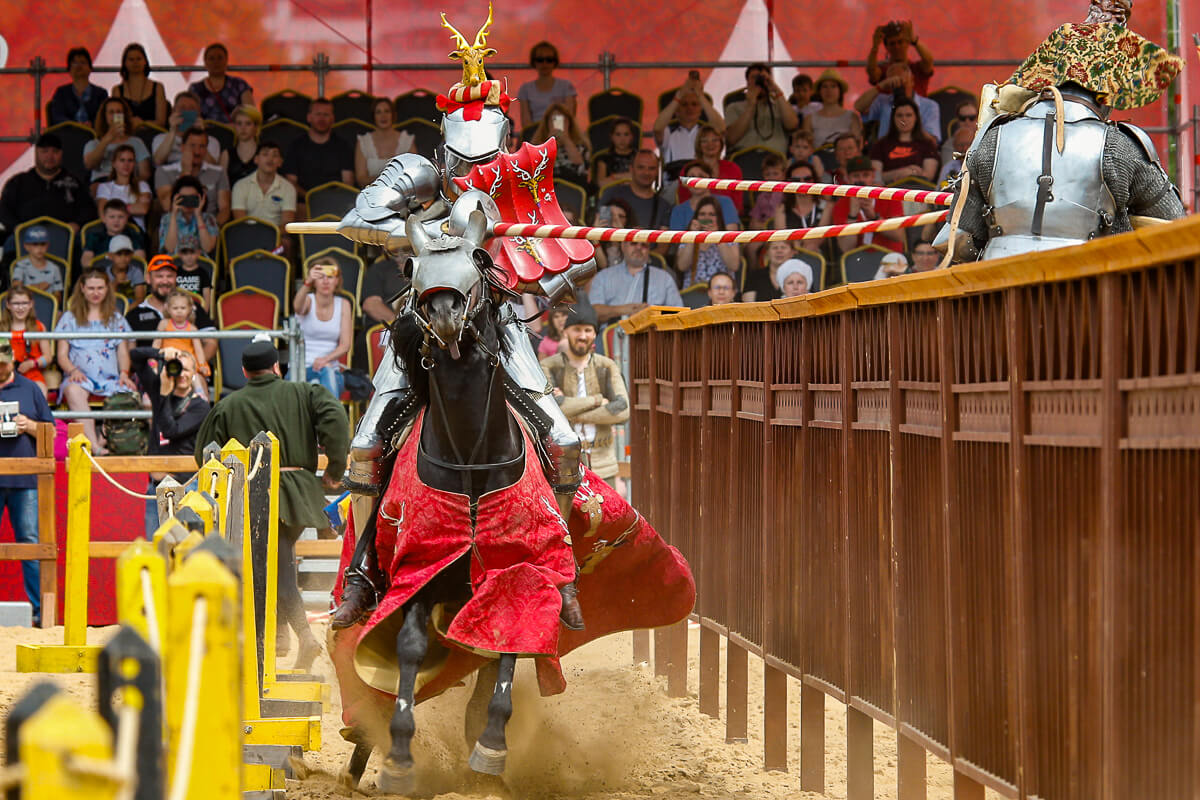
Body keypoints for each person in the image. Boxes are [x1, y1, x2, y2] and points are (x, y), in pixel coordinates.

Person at [936, 13, 1186, 263]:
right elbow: (1176, 228)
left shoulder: (993, 136)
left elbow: (956, 240)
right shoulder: (1120, 146)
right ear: (1105, 88)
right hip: (1091, 290)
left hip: (1005, 288)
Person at [195, 338, 349, 671]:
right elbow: (336, 417)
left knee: (273, 565)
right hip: (300, 492)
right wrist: (334, 470)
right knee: (277, 561)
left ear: (244, 371)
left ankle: (302, 637)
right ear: (277, 367)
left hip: (254, 494)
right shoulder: (305, 392)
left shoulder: (228, 405)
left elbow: (203, 454)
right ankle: (279, 635)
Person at [540, 304, 630, 491]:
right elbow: (548, 409)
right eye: (577, 330)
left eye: (588, 330)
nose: (582, 336)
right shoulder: (548, 366)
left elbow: (622, 410)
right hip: (562, 464)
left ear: (595, 334)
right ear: (566, 332)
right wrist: (597, 400)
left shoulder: (607, 366)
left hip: (603, 462)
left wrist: (567, 411)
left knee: (608, 517)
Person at [0, 341, 54, 624]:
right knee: (32, 542)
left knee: (32, 542)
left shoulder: (30, 388)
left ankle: (38, 612)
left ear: (12, 361)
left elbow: (51, 430)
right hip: (18, 476)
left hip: (26, 478)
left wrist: (28, 425)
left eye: (3, 363)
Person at [130, 345, 210, 535]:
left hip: (184, 487)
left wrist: (164, 395)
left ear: (194, 374)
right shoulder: (160, 386)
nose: (182, 374)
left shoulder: (200, 406)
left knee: (183, 551)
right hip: (154, 488)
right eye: (178, 367)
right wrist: (159, 354)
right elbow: (135, 356)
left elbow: (171, 430)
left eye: (187, 369)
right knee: (155, 549)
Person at [55, 270, 137, 452]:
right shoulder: (69, 318)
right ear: (82, 289)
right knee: (72, 391)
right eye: (91, 288)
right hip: (80, 377)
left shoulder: (116, 319)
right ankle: (93, 445)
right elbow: (61, 355)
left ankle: (104, 440)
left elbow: (123, 352)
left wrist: (124, 373)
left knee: (127, 392)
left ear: (107, 289)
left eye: (100, 288)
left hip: (110, 378)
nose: (95, 292)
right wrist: (73, 371)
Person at [0, 133, 95, 238]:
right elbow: (4, 210)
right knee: (10, 245)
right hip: (25, 236)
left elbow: (88, 209)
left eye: (55, 152)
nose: (50, 156)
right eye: (44, 151)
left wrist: (77, 224)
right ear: (36, 153)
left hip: (64, 236)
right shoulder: (18, 182)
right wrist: (17, 227)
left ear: (61, 154)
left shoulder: (75, 183)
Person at [126, 255, 217, 365]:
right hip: (151, 374)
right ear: (148, 279)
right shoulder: (134, 315)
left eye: (169, 276)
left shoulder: (193, 308)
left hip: (190, 372)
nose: (165, 281)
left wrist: (193, 365)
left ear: (176, 278)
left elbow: (211, 342)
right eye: (159, 276)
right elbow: (129, 353)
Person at [291, 259, 353, 400]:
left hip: (330, 368)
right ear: (314, 281)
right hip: (301, 369)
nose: (325, 281)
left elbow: (345, 345)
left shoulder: (344, 304)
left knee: (328, 372)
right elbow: (297, 307)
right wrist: (307, 283)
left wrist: (325, 360)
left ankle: (330, 418)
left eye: (330, 277)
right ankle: (330, 417)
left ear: (337, 280)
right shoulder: (307, 299)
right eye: (320, 277)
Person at [589, 240, 683, 324]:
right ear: (623, 246)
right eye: (633, 243)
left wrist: (651, 313)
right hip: (611, 337)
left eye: (644, 245)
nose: (638, 247)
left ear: (649, 249)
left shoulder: (665, 278)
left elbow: (679, 315)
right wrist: (624, 310)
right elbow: (592, 313)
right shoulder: (603, 276)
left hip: (651, 336)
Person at [828, 156, 904, 254]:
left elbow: (898, 235)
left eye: (865, 175)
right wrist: (853, 216)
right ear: (847, 178)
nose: (861, 180)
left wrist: (874, 217)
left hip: (890, 257)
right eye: (856, 176)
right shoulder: (840, 204)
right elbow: (846, 247)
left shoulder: (889, 196)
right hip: (858, 261)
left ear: (873, 176)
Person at [283, 98, 355, 203]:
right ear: (309, 117)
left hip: (335, 203)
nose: (321, 119)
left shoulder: (343, 146)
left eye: (326, 115)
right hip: (304, 203)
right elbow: (291, 182)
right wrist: (310, 198)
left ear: (333, 119)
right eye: (318, 114)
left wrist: (332, 200)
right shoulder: (296, 145)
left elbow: (348, 182)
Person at [155, 128, 231, 224]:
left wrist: (211, 228)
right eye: (192, 146)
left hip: (208, 227)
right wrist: (185, 172)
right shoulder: (163, 171)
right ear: (182, 147)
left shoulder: (218, 172)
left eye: (202, 146)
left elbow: (225, 209)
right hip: (176, 229)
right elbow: (167, 205)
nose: (197, 152)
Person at [724, 63, 800, 155]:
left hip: (775, 159)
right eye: (754, 78)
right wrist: (751, 105)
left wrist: (777, 91)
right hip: (744, 158)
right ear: (747, 83)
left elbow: (792, 125)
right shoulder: (734, 107)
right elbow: (731, 139)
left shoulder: (780, 105)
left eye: (762, 78)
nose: (758, 81)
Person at [854, 62, 941, 142]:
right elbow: (859, 106)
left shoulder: (929, 106)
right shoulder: (883, 101)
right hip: (886, 154)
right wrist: (880, 86)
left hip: (917, 155)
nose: (899, 86)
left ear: (912, 80)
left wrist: (912, 125)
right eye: (894, 83)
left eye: (902, 81)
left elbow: (933, 142)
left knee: (954, 156)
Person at [654, 73, 725, 168]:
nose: (690, 108)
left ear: (701, 110)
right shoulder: (668, 132)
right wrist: (679, 96)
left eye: (694, 104)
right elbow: (657, 129)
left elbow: (721, 128)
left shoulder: (707, 132)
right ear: (676, 110)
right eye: (684, 104)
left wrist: (700, 95)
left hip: (702, 179)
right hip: (675, 180)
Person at [153, 289, 211, 396]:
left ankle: (201, 398)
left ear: (190, 309)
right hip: (168, 359)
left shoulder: (192, 328)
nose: (179, 311)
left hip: (186, 360)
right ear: (168, 309)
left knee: (196, 377)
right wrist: (153, 358)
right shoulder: (164, 324)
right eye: (175, 308)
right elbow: (157, 342)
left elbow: (198, 349)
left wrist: (202, 364)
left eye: (183, 308)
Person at [82, 97, 152, 184]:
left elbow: (145, 173)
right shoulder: (93, 143)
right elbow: (89, 165)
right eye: (111, 112)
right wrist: (107, 138)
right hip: (103, 182)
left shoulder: (136, 142)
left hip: (129, 182)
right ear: (105, 117)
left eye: (119, 112)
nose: (115, 115)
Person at [869, 99, 940, 182]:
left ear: (916, 118)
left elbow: (929, 176)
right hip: (889, 191)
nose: (904, 119)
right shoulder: (880, 145)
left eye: (908, 115)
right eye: (899, 115)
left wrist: (911, 173)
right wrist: (903, 172)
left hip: (918, 191)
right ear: (893, 118)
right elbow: (875, 178)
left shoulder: (927, 144)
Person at [675, 196, 740, 286]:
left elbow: (733, 265)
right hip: (694, 292)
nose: (707, 218)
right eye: (702, 214)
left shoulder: (728, 238)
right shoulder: (688, 237)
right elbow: (682, 266)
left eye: (712, 214)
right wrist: (692, 237)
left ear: (718, 217)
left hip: (722, 291)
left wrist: (717, 237)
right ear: (696, 217)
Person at [598, 149, 670, 230]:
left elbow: (663, 242)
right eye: (641, 167)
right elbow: (599, 229)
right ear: (631, 169)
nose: (646, 173)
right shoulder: (611, 194)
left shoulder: (664, 206)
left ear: (657, 171)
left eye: (651, 168)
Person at [231, 141, 296, 227]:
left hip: (276, 236)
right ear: (256, 159)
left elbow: (287, 224)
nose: (270, 159)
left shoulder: (288, 188)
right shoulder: (240, 186)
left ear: (280, 162)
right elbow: (240, 221)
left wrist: (270, 237)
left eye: (275, 155)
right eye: (265, 154)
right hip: (247, 235)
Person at [0, 288, 50, 397]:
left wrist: (33, 363)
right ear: (8, 305)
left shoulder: (38, 327)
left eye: (24, 303)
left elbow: (48, 357)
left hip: (32, 374)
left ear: (31, 304)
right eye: (16, 303)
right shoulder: (2, 328)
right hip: (5, 374)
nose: (21, 307)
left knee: (40, 391)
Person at [355, 98, 415, 186]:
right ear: (373, 116)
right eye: (378, 112)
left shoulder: (406, 140)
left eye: (387, 111)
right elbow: (361, 179)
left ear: (393, 115)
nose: (383, 116)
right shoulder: (363, 142)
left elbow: (414, 175)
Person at [866, 20, 935, 96]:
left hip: (918, 107)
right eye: (892, 44)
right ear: (886, 47)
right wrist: (875, 46)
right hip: (889, 107)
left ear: (907, 43)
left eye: (900, 42)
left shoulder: (917, 68)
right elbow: (872, 72)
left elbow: (929, 61)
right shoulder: (883, 71)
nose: (897, 47)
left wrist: (914, 40)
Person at [189, 43, 254, 123]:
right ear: (205, 63)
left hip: (234, 132)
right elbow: (189, 118)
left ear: (226, 60)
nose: (216, 62)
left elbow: (251, 114)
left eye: (220, 58)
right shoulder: (195, 89)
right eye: (211, 59)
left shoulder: (239, 85)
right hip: (204, 133)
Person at [517, 41, 577, 129]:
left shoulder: (566, 86)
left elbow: (569, 118)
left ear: (555, 62)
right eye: (540, 60)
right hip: (535, 136)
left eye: (549, 60)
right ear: (534, 62)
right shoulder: (525, 89)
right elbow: (526, 124)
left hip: (561, 133)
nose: (544, 63)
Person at [151, 92, 221, 167]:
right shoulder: (161, 138)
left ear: (199, 113)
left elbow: (212, 167)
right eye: (182, 108)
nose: (187, 111)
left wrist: (200, 134)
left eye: (191, 109)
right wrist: (172, 130)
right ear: (173, 112)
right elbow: (158, 161)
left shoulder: (211, 141)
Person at [681, 124, 743, 208]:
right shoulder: (688, 170)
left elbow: (737, 205)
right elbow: (684, 202)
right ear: (699, 145)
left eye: (715, 140)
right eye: (704, 141)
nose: (710, 144)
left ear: (721, 143)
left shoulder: (733, 169)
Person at [668, 161, 740, 231]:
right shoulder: (678, 210)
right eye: (692, 177)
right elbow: (676, 241)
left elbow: (732, 236)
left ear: (710, 179)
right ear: (685, 183)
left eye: (701, 176)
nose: (696, 181)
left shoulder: (726, 202)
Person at [94, 144, 152, 229]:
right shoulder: (104, 187)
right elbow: (103, 215)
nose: (126, 164)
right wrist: (130, 207)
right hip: (112, 234)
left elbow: (143, 209)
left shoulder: (142, 185)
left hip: (136, 234)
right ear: (114, 163)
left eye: (130, 160)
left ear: (134, 163)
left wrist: (114, 211)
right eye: (122, 160)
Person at [110, 43, 168, 129]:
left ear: (145, 61)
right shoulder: (117, 90)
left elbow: (161, 122)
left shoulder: (158, 87)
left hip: (153, 135)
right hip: (126, 136)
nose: (135, 62)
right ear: (125, 63)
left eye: (138, 59)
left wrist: (142, 124)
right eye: (131, 59)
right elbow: (117, 122)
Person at [530, 103, 589, 186]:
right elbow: (536, 170)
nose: (557, 124)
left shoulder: (581, 146)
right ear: (547, 124)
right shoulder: (537, 147)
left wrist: (566, 139)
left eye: (561, 120)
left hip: (573, 186)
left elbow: (580, 167)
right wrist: (549, 143)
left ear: (569, 123)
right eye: (554, 120)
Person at [159, 176, 219, 256]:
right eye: (183, 198)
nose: (188, 202)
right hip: (174, 263)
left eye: (192, 198)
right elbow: (170, 248)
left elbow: (208, 248)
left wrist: (198, 215)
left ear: (201, 198)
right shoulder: (167, 219)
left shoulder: (208, 218)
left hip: (199, 264)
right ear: (176, 198)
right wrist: (174, 214)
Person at [802, 69, 863, 147]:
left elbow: (857, 148)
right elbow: (805, 149)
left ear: (840, 91)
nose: (829, 90)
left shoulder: (853, 118)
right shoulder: (809, 119)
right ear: (819, 91)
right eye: (825, 87)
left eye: (833, 86)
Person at [48, 47, 107, 127]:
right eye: (74, 63)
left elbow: (104, 117)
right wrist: (75, 126)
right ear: (69, 69)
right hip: (68, 134)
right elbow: (57, 117)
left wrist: (92, 125)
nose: (79, 66)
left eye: (83, 62)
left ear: (90, 68)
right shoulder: (61, 92)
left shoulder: (101, 94)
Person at [82, 199, 146, 265]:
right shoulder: (94, 236)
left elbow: (139, 260)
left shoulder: (134, 235)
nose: (116, 221)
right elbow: (86, 261)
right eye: (112, 217)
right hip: (100, 272)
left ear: (127, 218)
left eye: (121, 217)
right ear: (104, 218)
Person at [10, 226, 63, 301]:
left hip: (48, 308)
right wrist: (38, 287)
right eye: (35, 244)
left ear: (47, 245)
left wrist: (31, 289)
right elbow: (16, 287)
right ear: (26, 246)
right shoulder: (21, 265)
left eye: (43, 244)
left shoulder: (54, 268)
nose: (39, 248)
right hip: (25, 307)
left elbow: (58, 297)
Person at [360, 252, 409, 327]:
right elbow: (370, 305)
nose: (401, 251)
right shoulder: (379, 268)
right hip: (383, 328)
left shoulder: (423, 270)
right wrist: (398, 325)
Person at [592, 117, 638, 189]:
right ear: (611, 137)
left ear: (632, 136)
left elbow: (642, 180)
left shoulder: (639, 157)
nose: (622, 139)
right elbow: (602, 183)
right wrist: (626, 177)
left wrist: (613, 178)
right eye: (618, 134)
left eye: (626, 134)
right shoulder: (603, 159)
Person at [225, 105, 262, 186]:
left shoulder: (264, 153)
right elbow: (222, 187)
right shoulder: (226, 154)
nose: (243, 128)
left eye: (248, 123)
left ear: (256, 127)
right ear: (234, 126)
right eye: (239, 123)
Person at [172, 242, 213, 312]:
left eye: (192, 253)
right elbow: (171, 293)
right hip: (177, 309)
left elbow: (207, 296)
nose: (189, 257)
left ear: (198, 253)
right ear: (179, 254)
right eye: (185, 253)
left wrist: (204, 312)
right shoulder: (175, 272)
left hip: (197, 309)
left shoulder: (203, 273)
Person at [593, 199, 633, 270]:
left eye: (620, 216)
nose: (615, 219)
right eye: (611, 215)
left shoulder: (633, 240)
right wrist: (594, 235)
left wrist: (621, 235)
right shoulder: (592, 240)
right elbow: (603, 265)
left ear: (627, 220)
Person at [104, 234, 146, 302]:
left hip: (132, 309)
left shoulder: (136, 272)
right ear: (110, 256)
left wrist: (127, 311)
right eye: (119, 254)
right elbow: (105, 298)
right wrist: (115, 282)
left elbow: (140, 299)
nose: (123, 258)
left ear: (132, 255)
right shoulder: (104, 273)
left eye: (127, 254)